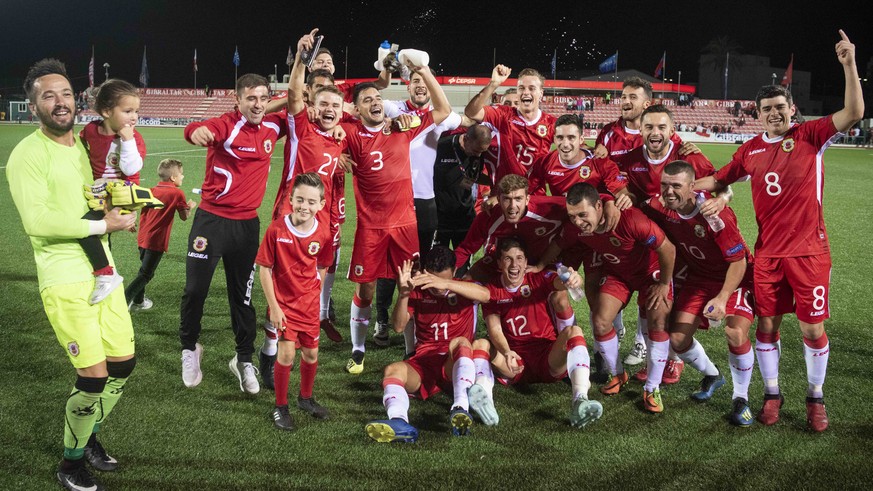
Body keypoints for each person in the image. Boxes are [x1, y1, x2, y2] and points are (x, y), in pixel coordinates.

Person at [695, 30, 863, 432]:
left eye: (779, 106)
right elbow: (718, 181)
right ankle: (772, 394)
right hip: (768, 254)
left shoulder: (810, 136)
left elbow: (854, 113)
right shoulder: (748, 150)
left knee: (811, 327)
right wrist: (681, 185)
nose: (774, 113)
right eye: (766, 108)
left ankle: (815, 399)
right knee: (768, 326)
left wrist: (849, 64)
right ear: (757, 114)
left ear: (792, 108)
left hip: (809, 252)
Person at [7, 58, 138, 491]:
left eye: (65, 93)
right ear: (33, 105)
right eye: (48, 95)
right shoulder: (26, 153)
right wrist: (104, 225)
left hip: (103, 269)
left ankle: (89, 434)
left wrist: (115, 205)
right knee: (93, 375)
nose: (60, 102)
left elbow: (85, 201)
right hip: (63, 274)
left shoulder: (79, 148)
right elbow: (38, 221)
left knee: (123, 363)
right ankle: (71, 461)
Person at [340, 61, 453, 374]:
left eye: (378, 98)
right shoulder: (350, 134)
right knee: (366, 290)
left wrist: (427, 71)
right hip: (370, 229)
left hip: (405, 226)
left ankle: (411, 350)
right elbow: (321, 136)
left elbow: (442, 110)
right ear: (357, 110)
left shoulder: (403, 125)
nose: (376, 102)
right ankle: (359, 349)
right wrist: (336, 152)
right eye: (368, 101)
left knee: (410, 285)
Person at [180, 73, 287, 394]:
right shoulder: (226, 124)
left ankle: (243, 359)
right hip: (210, 222)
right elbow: (199, 130)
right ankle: (189, 349)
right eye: (250, 98)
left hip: (246, 227)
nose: (257, 104)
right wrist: (193, 131)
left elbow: (293, 107)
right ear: (237, 100)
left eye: (262, 98)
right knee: (195, 289)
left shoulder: (273, 126)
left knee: (242, 297)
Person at [535, 183, 675, 413]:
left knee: (658, 320)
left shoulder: (630, 219)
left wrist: (663, 284)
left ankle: (652, 387)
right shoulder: (576, 227)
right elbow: (558, 244)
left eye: (583, 215)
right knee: (600, 321)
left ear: (599, 206)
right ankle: (618, 374)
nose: (578, 222)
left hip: (651, 274)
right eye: (573, 216)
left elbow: (667, 249)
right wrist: (540, 265)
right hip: (619, 274)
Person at [259, 29, 347, 390]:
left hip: (321, 224)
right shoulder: (300, 127)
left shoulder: (339, 136)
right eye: (323, 104)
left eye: (335, 107)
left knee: (308, 287)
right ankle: (268, 354)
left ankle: (304, 342)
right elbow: (294, 94)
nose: (328, 111)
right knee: (280, 289)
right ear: (313, 105)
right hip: (289, 218)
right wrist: (299, 58)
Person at [643, 161, 757, 425]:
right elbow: (638, 208)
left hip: (737, 278)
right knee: (678, 339)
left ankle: (741, 399)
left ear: (692, 187)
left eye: (676, 186)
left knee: (735, 332)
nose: (668, 192)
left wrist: (722, 298)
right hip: (700, 278)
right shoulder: (660, 206)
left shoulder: (714, 214)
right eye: (664, 185)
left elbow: (738, 262)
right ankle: (713, 375)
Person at [372, 67, 465, 352]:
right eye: (415, 81)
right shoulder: (393, 106)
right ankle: (382, 320)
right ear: (407, 86)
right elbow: (368, 101)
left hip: (424, 200)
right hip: (391, 198)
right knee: (389, 266)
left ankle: (417, 320)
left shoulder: (437, 116)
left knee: (420, 263)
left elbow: (452, 112)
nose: (420, 86)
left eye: (425, 82)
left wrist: (426, 73)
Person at [365, 247, 496, 442]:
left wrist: (445, 283)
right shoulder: (417, 291)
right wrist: (403, 294)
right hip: (425, 361)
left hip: (455, 363)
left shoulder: (464, 288)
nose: (437, 287)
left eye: (441, 280)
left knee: (461, 342)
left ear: (453, 271)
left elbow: (486, 295)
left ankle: (460, 408)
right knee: (392, 370)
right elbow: (399, 326)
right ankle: (400, 422)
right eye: (432, 279)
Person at [483, 238, 602, 427]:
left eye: (519, 258)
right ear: (499, 263)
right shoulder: (492, 289)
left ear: (526, 260)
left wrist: (574, 279)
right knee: (483, 344)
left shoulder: (538, 278)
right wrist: (507, 353)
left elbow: (558, 282)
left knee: (574, 331)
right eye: (508, 259)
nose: (515, 265)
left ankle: (580, 399)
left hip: (548, 358)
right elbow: (494, 329)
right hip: (515, 363)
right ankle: (483, 400)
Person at [258, 173, 333, 430]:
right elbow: (265, 270)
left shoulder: (323, 232)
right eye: (299, 200)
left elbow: (323, 264)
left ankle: (306, 398)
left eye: (311, 202)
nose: (304, 206)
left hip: (309, 305)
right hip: (284, 305)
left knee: (311, 354)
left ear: (321, 204)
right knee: (287, 354)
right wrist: (275, 308)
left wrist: (315, 292)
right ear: (290, 199)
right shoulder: (276, 229)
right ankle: (280, 406)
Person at [77, 79, 148, 304]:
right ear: (107, 111)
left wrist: (127, 142)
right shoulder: (90, 131)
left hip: (123, 195)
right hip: (100, 194)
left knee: (85, 229)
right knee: (100, 235)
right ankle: (102, 269)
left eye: (136, 111)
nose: (134, 117)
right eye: (128, 111)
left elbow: (131, 168)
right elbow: (82, 153)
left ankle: (106, 274)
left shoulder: (133, 138)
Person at [465, 65, 556, 187]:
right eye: (521, 88)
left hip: (534, 195)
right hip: (503, 195)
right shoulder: (503, 115)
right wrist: (494, 83)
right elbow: (471, 112)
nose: (526, 92)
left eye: (532, 88)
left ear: (541, 93)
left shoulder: (552, 123)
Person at [125, 159, 196, 311]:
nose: (183, 177)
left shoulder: (150, 190)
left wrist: (130, 222)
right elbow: (184, 217)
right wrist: (189, 207)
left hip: (143, 237)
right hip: (156, 240)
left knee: (143, 270)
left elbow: (134, 206)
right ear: (173, 178)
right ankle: (124, 300)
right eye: (181, 175)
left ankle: (138, 300)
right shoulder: (177, 193)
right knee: (146, 274)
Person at [432, 124, 493, 253]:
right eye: (476, 150)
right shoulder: (441, 146)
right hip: (439, 217)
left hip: (464, 216)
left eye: (482, 151)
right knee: (437, 263)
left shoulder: (481, 151)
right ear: (466, 139)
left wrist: (495, 183)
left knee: (462, 262)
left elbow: (473, 175)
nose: (478, 154)